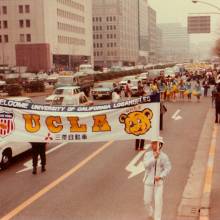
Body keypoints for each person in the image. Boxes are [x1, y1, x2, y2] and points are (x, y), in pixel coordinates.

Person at [143, 137, 171, 220]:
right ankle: (150, 213)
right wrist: (154, 158)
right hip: (148, 182)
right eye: (152, 143)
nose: (152, 145)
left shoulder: (164, 156)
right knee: (146, 202)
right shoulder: (147, 155)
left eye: (155, 143)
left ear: (160, 145)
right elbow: (146, 165)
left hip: (159, 184)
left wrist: (161, 176)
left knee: (158, 203)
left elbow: (168, 168)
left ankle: (157, 218)